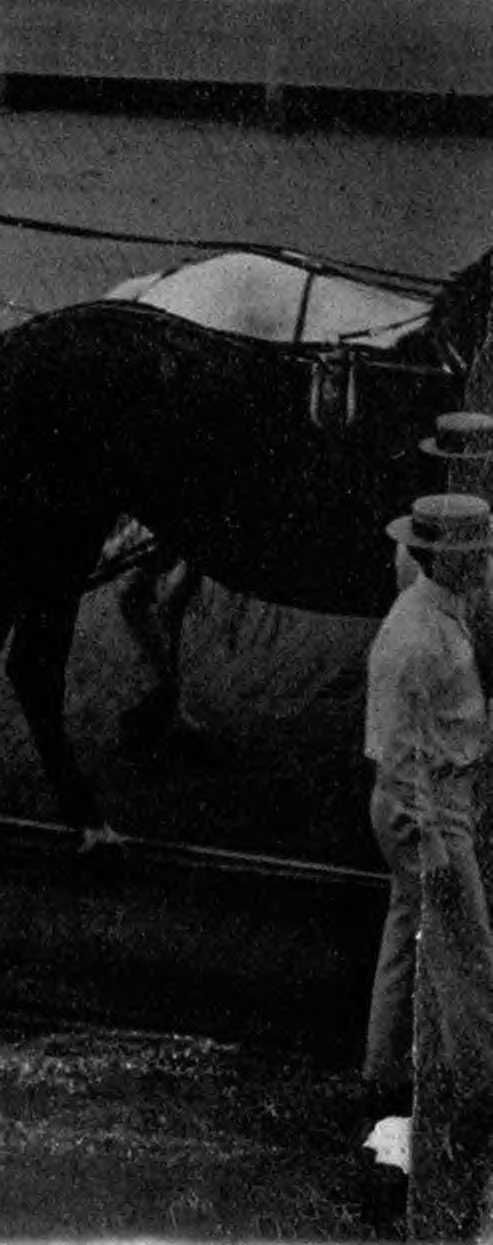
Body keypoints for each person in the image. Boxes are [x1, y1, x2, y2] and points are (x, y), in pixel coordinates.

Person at [369, 492, 493, 1238]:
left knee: (403, 935)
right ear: (450, 558)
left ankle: (381, 1071)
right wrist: (436, 848)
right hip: (427, 811)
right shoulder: (420, 635)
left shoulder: (437, 614)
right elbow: (397, 758)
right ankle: (473, 1090)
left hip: (440, 800)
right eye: (477, 556)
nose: (485, 567)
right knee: (470, 959)